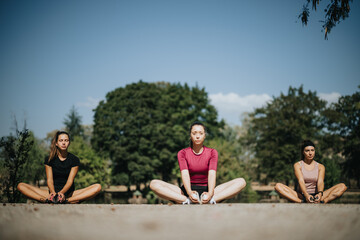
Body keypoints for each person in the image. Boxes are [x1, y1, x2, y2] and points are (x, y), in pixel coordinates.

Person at [150, 121, 246, 204]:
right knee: (154, 184)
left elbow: (212, 174)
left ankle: (211, 200)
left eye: (200, 133)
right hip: (187, 191)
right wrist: (189, 192)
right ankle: (186, 200)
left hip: (208, 190)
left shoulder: (212, 152)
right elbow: (185, 174)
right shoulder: (182, 153)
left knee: (241, 182)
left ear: (204, 135)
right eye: (194, 133)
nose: (197, 136)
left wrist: (210, 193)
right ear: (190, 135)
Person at [17, 131, 101, 204]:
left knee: (97, 187)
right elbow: (49, 180)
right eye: (61, 140)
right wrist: (53, 193)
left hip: (69, 194)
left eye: (66, 140)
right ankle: (46, 200)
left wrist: (62, 193)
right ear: (56, 143)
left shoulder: (74, 160)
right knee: (21, 186)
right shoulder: (49, 159)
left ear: (69, 143)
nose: (63, 143)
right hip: (51, 193)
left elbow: (70, 181)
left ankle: (67, 201)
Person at [275, 140, 347, 203]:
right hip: (302, 195)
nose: (310, 153)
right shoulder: (298, 165)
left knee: (342, 186)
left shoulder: (320, 166)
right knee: (278, 186)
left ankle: (323, 201)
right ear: (303, 152)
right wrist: (306, 196)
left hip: (317, 195)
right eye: (307, 151)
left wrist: (320, 194)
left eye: (312, 150)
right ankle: (301, 202)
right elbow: (301, 181)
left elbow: (320, 181)